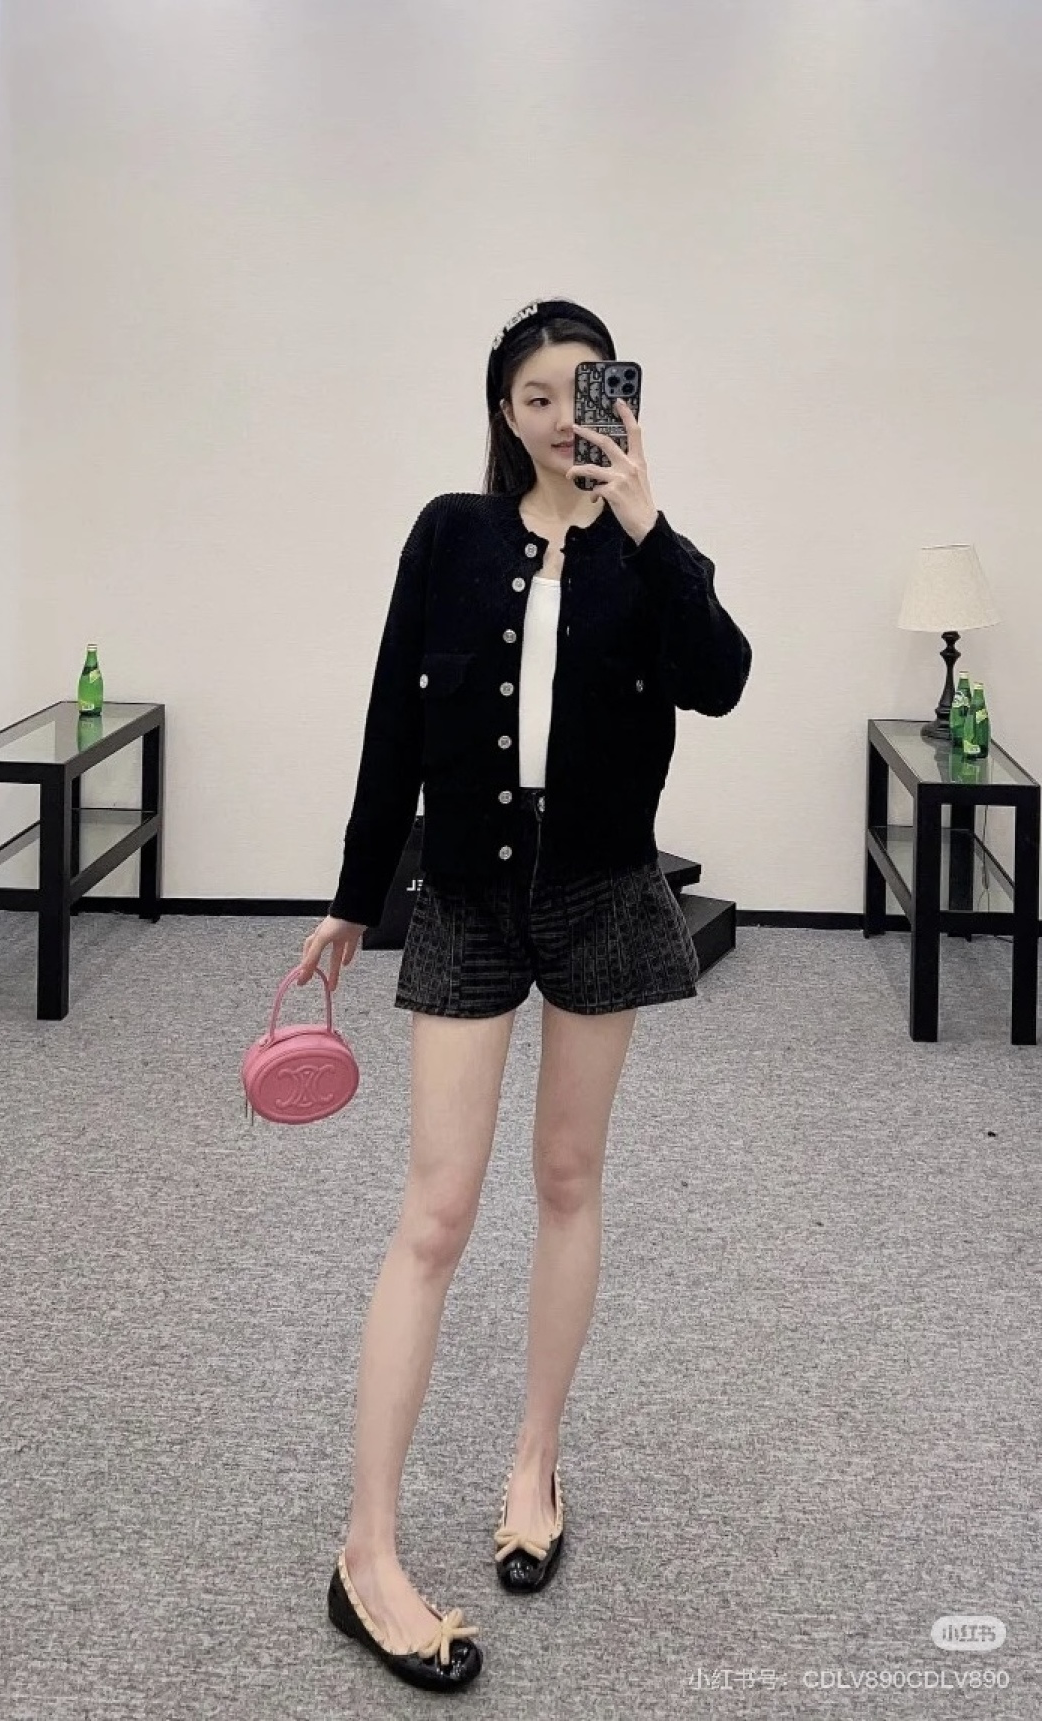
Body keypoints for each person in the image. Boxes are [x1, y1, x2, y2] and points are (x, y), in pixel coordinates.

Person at [298, 298, 752, 1692]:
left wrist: (648, 520)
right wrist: (355, 895)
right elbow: (393, 717)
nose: (566, 417)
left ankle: (535, 1463)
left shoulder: (650, 557)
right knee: (435, 1211)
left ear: (624, 403)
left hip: (602, 890)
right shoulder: (452, 533)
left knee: (567, 1176)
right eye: (539, 394)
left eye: (589, 390)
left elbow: (723, 680)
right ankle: (366, 1551)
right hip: (470, 894)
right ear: (504, 411)